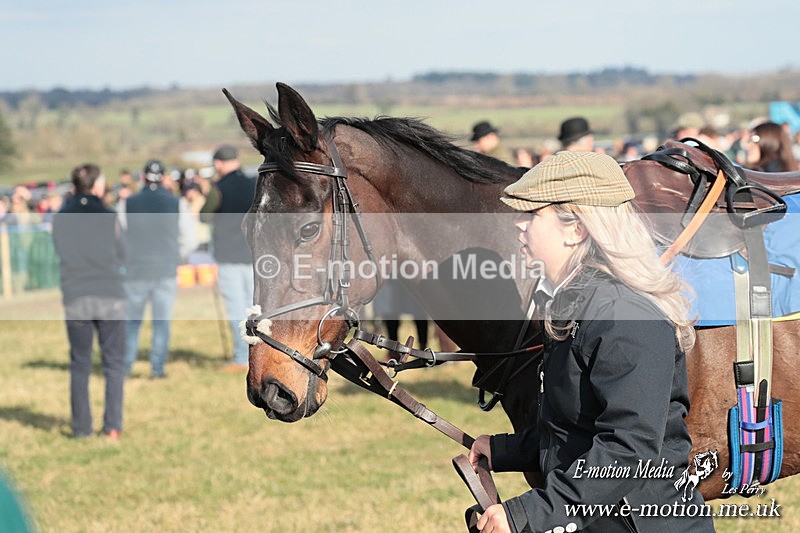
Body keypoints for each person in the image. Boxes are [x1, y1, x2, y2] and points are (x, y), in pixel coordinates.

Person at [468, 151, 713, 532]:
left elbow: (628, 451)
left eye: (532, 214)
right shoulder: (576, 304)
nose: (518, 224)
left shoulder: (625, 316)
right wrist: (504, 450)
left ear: (577, 230)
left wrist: (528, 514)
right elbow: (574, 426)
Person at [52, 163, 126, 439]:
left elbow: (59, 249)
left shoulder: (60, 217)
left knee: (80, 364)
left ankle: (82, 429)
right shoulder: (109, 216)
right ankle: (112, 426)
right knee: (113, 364)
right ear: (96, 186)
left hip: (76, 296)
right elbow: (123, 252)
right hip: (109, 295)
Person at [121, 159, 195, 378]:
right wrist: (178, 256)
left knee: (132, 322)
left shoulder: (127, 203)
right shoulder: (177, 203)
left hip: (136, 269)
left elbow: (120, 236)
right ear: (164, 178)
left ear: (143, 177)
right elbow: (190, 238)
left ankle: (125, 366)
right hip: (165, 269)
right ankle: (157, 369)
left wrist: (127, 258)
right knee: (161, 322)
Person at [200, 145, 256, 371]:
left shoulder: (218, 189)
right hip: (254, 254)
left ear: (218, 163)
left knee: (236, 309)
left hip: (228, 256)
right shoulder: (254, 184)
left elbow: (204, 217)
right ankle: (260, 354)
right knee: (256, 308)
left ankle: (241, 357)